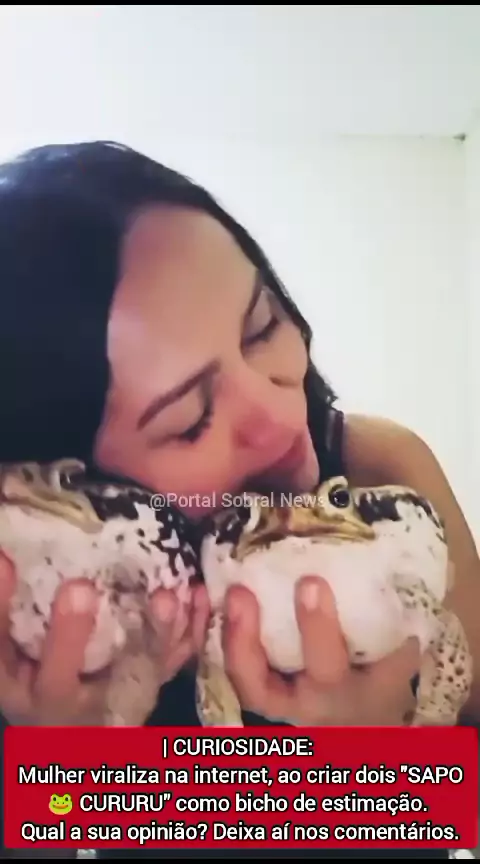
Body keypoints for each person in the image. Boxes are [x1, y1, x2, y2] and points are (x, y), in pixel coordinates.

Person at [0, 140, 478, 860]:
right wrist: (51, 759)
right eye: (190, 420)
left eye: (262, 328)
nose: (280, 419)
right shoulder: (27, 593)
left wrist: (380, 761)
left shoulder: (380, 475)